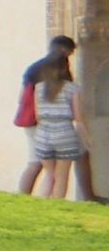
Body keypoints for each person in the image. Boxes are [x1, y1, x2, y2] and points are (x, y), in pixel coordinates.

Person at [29, 53, 94, 199]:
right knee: (62, 176)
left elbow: (38, 115)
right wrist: (87, 138)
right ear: (65, 68)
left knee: (49, 173)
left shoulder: (39, 88)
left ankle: (41, 203)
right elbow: (78, 117)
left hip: (43, 134)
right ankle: (57, 203)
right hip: (65, 134)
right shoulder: (72, 88)